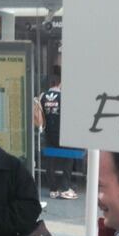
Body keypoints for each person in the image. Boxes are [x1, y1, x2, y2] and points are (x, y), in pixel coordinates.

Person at [39, 71, 77, 199]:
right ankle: (65, 187)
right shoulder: (63, 97)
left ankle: (53, 189)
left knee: (50, 161)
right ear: (60, 83)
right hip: (63, 134)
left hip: (49, 133)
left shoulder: (43, 96)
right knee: (69, 156)